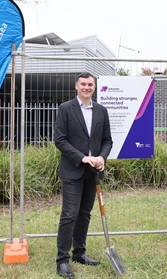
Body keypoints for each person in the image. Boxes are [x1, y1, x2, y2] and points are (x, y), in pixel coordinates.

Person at [54, 72, 113, 278]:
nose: (87, 87)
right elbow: (60, 140)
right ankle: (62, 260)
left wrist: (102, 157)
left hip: (93, 172)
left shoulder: (102, 111)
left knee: (85, 214)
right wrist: (82, 158)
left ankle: (79, 253)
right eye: (83, 84)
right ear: (76, 87)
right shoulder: (65, 109)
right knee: (69, 214)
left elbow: (107, 140)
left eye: (90, 85)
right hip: (73, 170)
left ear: (94, 88)